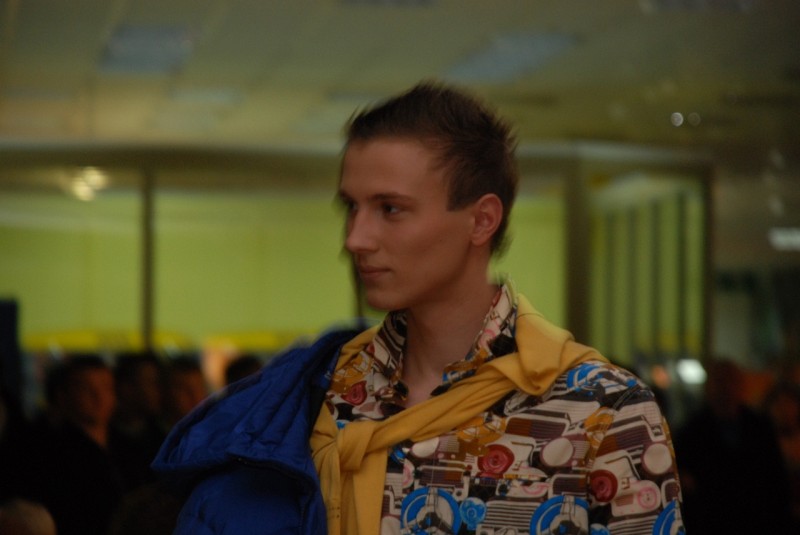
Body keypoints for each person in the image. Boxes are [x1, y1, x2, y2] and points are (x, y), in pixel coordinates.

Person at [153, 82, 685, 534]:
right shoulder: (322, 390)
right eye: (352, 208)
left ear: (481, 221)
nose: (356, 238)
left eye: (390, 209)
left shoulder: (604, 412)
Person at [674, 359, 792, 534]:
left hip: (755, 520)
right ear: (709, 387)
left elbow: (776, 480)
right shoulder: (692, 431)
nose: (726, 388)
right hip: (710, 521)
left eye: (731, 381)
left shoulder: (759, 427)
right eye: (720, 381)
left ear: (741, 386)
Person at [19, 354, 125, 535]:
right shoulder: (50, 455)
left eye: (106, 387)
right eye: (86, 388)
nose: (98, 396)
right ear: (62, 396)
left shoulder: (127, 447)